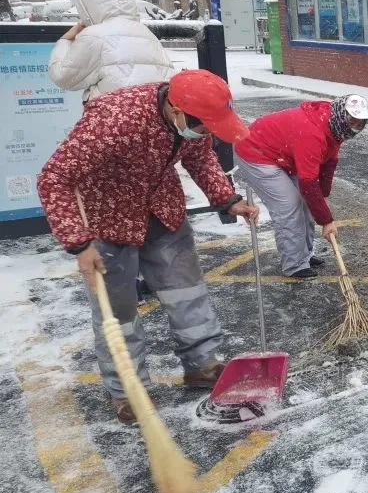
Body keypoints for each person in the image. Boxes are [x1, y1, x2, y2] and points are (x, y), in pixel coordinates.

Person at [36, 70, 259, 424]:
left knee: (188, 293)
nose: (207, 133)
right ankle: (128, 389)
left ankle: (202, 364)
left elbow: (199, 159)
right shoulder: (113, 120)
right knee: (118, 313)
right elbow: (54, 178)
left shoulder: (196, 116)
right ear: (175, 109)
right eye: (204, 126)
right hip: (108, 218)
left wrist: (226, 199)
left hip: (163, 210)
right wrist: (80, 245)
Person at [234, 94, 368, 279]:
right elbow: (308, 182)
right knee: (290, 206)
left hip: (283, 155)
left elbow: (329, 162)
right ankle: (294, 264)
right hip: (256, 153)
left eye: (360, 123)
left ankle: (304, 255)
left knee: (308, 202)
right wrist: (326, 221)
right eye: (352, 121)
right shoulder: (312, 133)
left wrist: (323, 196)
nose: (355, 128)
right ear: (341, 115)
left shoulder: (334, 127)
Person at [48, 0, 175, 103]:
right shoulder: (146, 33)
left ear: (87, 5)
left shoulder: (94, 36)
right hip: (151, 115)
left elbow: (63, 77)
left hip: (114, 118)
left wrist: (65, 41)